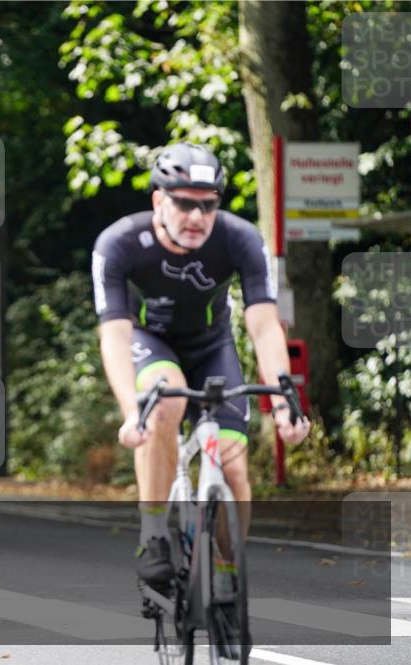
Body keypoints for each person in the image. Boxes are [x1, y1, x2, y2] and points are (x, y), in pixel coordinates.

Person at [92, 143, 310, 589]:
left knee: (235, 470)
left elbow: (265, 326)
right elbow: (114, 334)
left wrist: (286, 398)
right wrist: (132, 412)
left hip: (212, 347)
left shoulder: (240, 238)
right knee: (165, 404)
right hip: (149, 343)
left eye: (208, 205)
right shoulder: (119, 243)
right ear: (158, 200)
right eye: (184, 203)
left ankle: (228, 581)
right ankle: (153, 534)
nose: (197, 216)